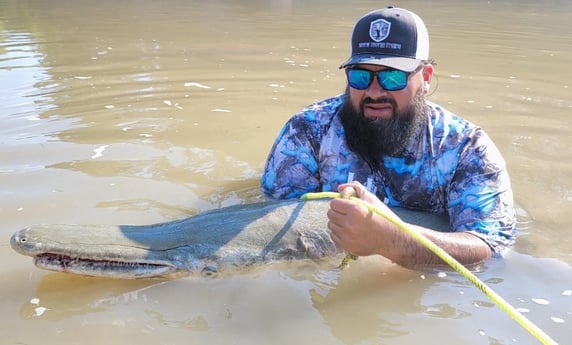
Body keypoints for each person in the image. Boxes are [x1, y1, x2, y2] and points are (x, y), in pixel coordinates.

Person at [260, 7, 516, 269]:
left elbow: (490, 248)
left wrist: (392, 240)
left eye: (392, 77)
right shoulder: (306, 131)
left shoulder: (466, 147)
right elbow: (273, 224)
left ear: (425, 78)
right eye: (360, 76)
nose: (373, 91)